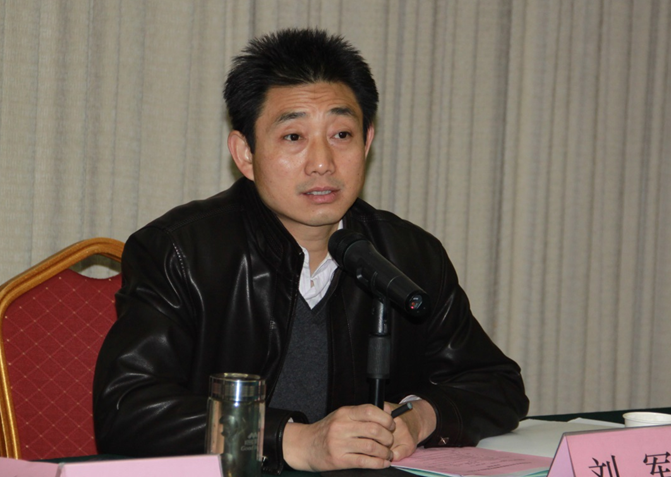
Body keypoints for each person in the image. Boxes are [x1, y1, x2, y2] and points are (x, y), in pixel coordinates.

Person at [93, 28, 528, 474]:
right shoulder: (181, 252)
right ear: (245, 153)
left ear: (367, 142)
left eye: (341, 134)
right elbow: (127, 408)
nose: (322, 162)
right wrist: (293, 439)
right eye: (293, 137)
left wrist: (420, 419)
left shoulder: (409, 255)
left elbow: (497, 385)